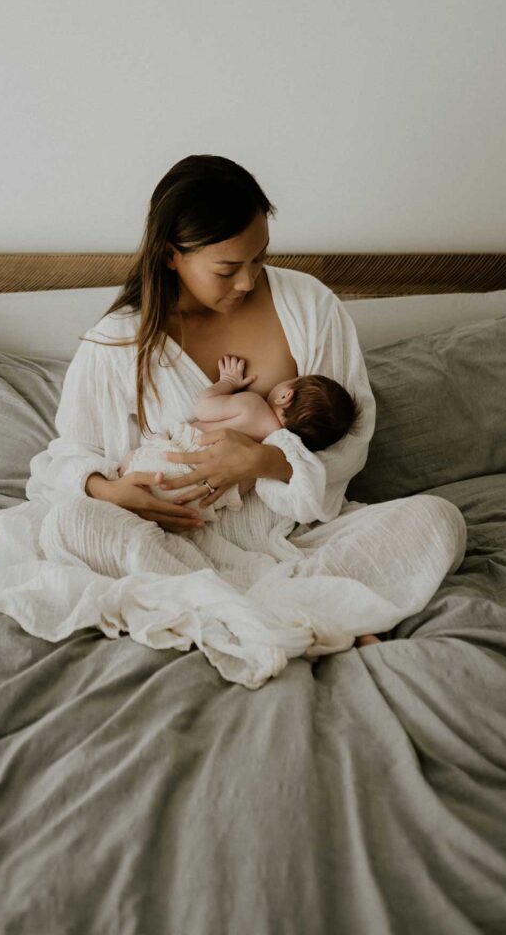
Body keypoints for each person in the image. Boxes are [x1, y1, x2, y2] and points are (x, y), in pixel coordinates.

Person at [33, 154, 466, 654]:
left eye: (259, 258)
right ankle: (306, 611)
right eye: (227, 268)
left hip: (298, 537)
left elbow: (352, 439)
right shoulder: (117, 343)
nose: (247, 281)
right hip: (179, 544)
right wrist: (109, 493)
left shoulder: (309, 304)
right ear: (172, 254)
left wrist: (265, 460)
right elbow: (67, 455)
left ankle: (239, 610)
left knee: (438, 520)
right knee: (70, 526)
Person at [117, 354, 356, 520]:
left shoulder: (253, 405)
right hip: (197, 503)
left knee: (128, 464)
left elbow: (204, 407)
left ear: (286, 395)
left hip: (175, 460)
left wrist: (227, 382)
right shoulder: (276, 452)